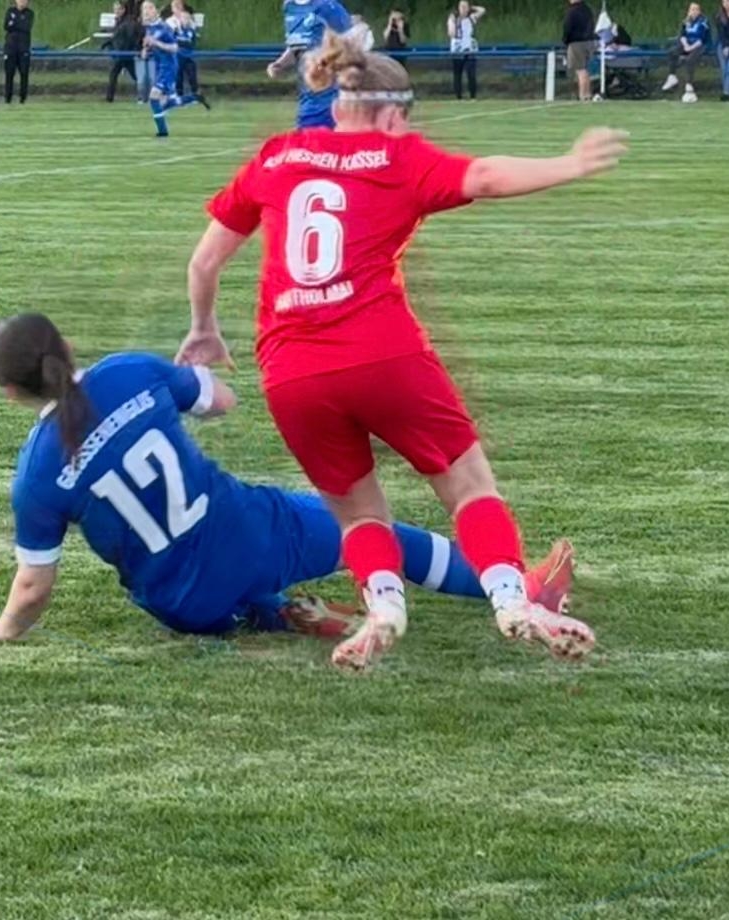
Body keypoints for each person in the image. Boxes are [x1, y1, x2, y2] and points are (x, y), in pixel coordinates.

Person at [177, 37, 626, 672]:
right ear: (393, 115)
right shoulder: (398, 157)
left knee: (358, 511)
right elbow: (486, 176)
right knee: (468, 486)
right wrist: (570, 163)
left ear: (339, 105)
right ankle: (511, 598)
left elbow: (203, 263)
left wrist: (204, 328)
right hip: (384, 355)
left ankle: (384, 608)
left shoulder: (277, 156)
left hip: (292, 372)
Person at [0, 314, 577, 644]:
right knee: (374, 530)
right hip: (251, 533)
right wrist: (188, 376)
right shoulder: (128, 372)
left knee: (208, 588)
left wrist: (4, 629)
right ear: (65, 344)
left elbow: (33, 586)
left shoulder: (36, 474)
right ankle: (520, 591)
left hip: (181, 606)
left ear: (11, 393)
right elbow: (221, 401)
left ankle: (274, 613)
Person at [268, 0, 353, 130]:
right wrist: (280, 64)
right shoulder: (290, 7)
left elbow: (350, 45)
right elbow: (296, 46)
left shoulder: (329, 7)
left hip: (331, 101)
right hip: (307, 101)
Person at [141, 0, 208, 138]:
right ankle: (194, 97)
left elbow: (174, 48)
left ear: (155, 11)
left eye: (149, 8)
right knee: (167, 102)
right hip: (160, 67)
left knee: (154, 97)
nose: (146, 11)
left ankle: (162, 132)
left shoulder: (164, 27)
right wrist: (146, 50)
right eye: (144, 9)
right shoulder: (149, 28)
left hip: (168, 67)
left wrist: (156, 43)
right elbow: (149, 46)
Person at [662, 3, 711, 99]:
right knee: (672, 52)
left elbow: (701, 39)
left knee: (689, 60)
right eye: (692, 9)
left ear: (699, 11)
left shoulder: (703, 22)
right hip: (687, 43)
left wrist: (690, 48)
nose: (694, 11)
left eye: (696, 9)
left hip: (700, 45)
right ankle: (672, 76)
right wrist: (686, 45)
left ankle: (689, 84)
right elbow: (682, 35)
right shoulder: (686, 21)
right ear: (689, 11)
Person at [105, 2, 143, 103]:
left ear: (123, 10)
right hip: (122, 53)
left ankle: (145, 94)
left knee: (133, 75)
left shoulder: (127, 22)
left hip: (124, 53)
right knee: (131, 75)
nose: (116, 11)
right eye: (115, 9)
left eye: (118, 9)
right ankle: (109, 98)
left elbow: (129, 38)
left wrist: (125, 50)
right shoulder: (119, 22)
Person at [448, 2, 485, 100]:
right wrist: (453, 23)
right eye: (461, 7)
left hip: (470, 49)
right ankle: (458, 97)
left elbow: (482, 10)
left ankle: (473, 96)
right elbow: (451, 33)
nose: (463, 9)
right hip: (458, 50)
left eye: (465, 7)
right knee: (457, 74)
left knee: (471, 73)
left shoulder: (471, 18)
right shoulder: (454, 18)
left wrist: (473, 8)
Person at [563, 0, 596, 103]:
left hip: (576, 42)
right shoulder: (587, 10)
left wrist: (565, 40)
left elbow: (567, 27)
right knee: (585, 69)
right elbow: (592, 25)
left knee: (580, 70)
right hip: (588, 42)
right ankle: (588, 94)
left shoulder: (572, 11)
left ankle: (582, 95)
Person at [2, 0, 34, 105]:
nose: (22, 2)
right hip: (11, 48)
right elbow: (6, 26)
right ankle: (8, 98)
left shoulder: (29, 13)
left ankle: (23, 98)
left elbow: (26, 27)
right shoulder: (10, 11)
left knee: (24, 73)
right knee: (9, 74)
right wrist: (18, 22)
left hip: (23, 48)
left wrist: (15, 22)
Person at [170, 1, 202, 98]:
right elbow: (173, 41)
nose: (185, 20)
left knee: (192, 75)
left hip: (189, 57)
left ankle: (195, 94)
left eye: (187, 19)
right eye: (183, 18)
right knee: (178, 76)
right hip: (178, 57)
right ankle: (179, 94)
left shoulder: (191, 32)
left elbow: (193, 43)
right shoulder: (176, 31)